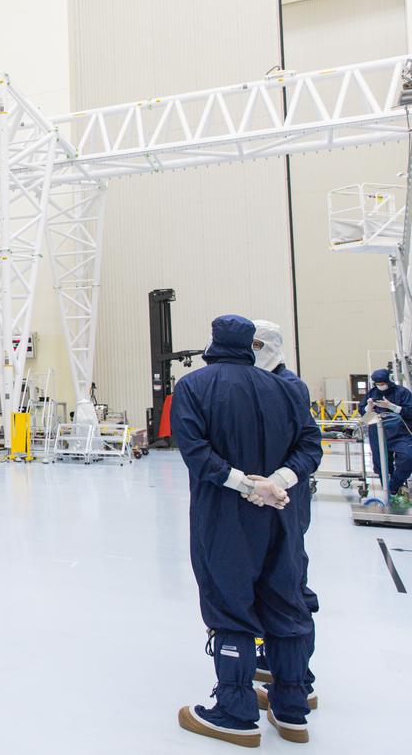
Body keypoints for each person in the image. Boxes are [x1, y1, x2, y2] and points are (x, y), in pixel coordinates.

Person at [172, 315, 322, 747]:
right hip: (282, 511)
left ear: (214, 341)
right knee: (286, 603)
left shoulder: (195, 387)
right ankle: (292, 709)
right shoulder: (285, 388)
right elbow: (310, 446)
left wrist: (244, 483)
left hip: (225, 515)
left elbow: (197, 455)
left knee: (231, 606)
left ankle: (235, 713)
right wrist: (276, 482)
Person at [251, 319, 319, 711]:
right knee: (267, 588)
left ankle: (298, 682)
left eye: (257, 343)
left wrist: (277, 481)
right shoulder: (251, 384)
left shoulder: (290, 386)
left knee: (290, 589)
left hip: (285, 504)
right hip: (259, 501)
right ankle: (276, 662)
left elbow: (309, 447)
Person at [362, 367, 412, 500]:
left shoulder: (402, 393)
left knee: (408, 458)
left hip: (400, 433)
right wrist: (369, 407)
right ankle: (389, 495)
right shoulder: (372, 393)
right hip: (378, 433)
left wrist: (392, 407)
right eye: (378, 384)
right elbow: (363, 412)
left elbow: (410, 411)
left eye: (382, 383)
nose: (380, 386)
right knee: (381, 465)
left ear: (388, 380)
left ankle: (393, 487)